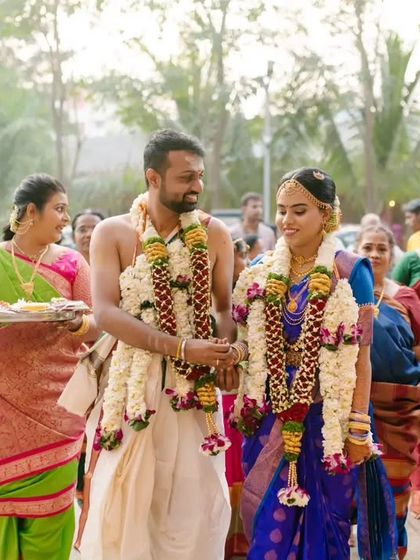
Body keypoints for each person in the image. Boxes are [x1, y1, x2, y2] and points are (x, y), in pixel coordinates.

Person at [79, 129, 239, 560]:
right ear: (153, 176)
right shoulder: (112, 233)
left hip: (194, 389)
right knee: (126, 497)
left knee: (194, 503)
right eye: (186, 177)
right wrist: (181, 347)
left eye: (201, 177)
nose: (198, 187)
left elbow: (224, 309)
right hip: (132, 385)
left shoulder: (214, 233)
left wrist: (225, 352)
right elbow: (107, 313)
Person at [231, 167, 398, 559]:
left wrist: (358, 427)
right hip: (273, 414)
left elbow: (361, 357)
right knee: (270, 526)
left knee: (329, 526)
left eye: (299, 210)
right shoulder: (263, 270)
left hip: (329, 419)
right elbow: (246, 340)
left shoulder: (349, 270)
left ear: (327, 214)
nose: (287, 220)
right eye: (282, 210)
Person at [0, 174, 99, 560]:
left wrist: (75, 322)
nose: (65, 219)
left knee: (52, 518)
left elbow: (98, 327)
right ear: (30, 212)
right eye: (59, 209)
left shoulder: (74, 263)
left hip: (58, 409)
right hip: (4, 409)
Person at [356, 225, 420, 558]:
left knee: (395, 493)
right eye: (368, 247)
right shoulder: (346, 294)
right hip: (358, 408)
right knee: (354, 491)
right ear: (356, 251)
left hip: (400, 410)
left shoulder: (406, 297)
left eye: (382, 248)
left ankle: (392, 551)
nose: (375, 254)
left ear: (392, 254)